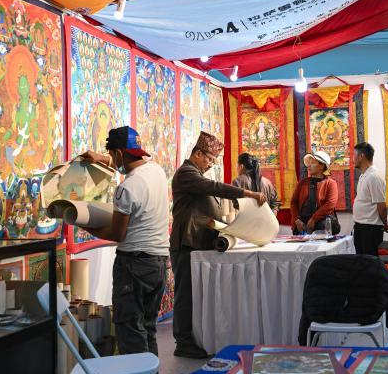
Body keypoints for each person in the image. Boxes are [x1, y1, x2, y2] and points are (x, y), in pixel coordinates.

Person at [171, 132, 267, 358]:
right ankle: (183, 343)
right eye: (209, 159)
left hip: (198, 244)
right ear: (197, 154)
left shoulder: (196, 174)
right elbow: (214, 187)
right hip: (186, 244)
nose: (211, 164)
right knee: (186, 296)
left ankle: (197, 338)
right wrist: (248, 194)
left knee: (196, 295)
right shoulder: (186, 173)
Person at [80, 126, 169, 356]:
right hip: (158, 264)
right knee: (147, 328)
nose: (111, 158)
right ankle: (151, 371)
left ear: (119, 153)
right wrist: (100, 158)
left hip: (134, 267)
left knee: (130, 331)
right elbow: (121, 162)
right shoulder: (157, 172)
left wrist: (82, 222)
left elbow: (117, 234)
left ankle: (138, 371)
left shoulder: (127, 188)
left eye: (112, 154)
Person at [352, 142, 388, 256]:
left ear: (361, 156)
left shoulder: (374, 176)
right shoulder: (364, 175)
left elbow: (381, 204)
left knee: (369, 261)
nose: (352, 159)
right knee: (361, 261)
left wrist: (385, 223)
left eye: (354, 156)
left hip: (370, 229)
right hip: (361, 226)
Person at [290, 151, 338, 234]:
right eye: (309, 163)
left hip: (321, 222)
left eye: (313, 163)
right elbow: (293, 202)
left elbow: (330, 204)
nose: (309, 166)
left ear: (322, 166)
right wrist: (296, 220)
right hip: (302, 223)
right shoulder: (302, 183)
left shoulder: (330, 183)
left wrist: (313, 219)